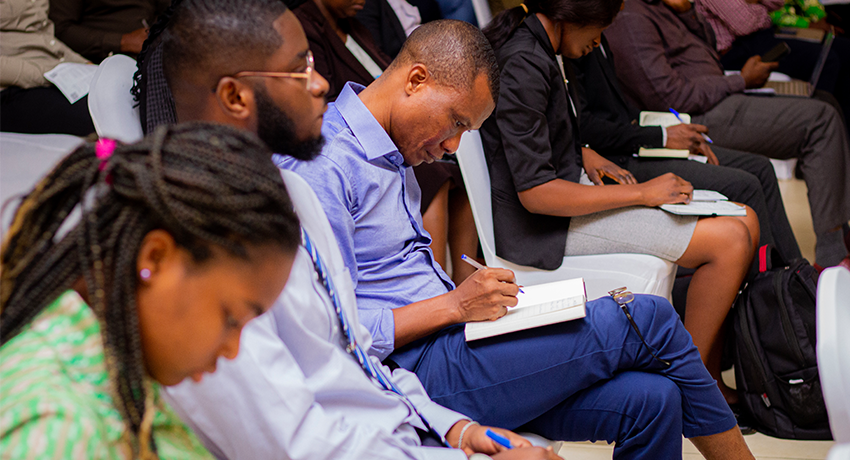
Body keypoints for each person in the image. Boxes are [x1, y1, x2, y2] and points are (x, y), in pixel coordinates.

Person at [281, 18, 757, 458]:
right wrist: (453, 306)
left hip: (453, 344)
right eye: (458, 123)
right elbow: (333, 332)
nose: (453, 145)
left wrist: (474, 305)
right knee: (647, 314)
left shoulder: (390, 152)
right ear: (416, 80)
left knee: (655, 399)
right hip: (416, 370)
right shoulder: (325, 167)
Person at [136, 1, 561, 458]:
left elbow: (356, 353)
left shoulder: (292, 198)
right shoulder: (205, 262)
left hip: (403, 428)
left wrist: (454, 429)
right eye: (300, 70)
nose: (321, 84)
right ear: (236, 97)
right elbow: (301, 444)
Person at [481, 0, 760, 398]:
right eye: (599, 29)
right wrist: (643, 193)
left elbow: (539, 139)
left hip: (564, 200)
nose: (599, 41)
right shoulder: (525, 61)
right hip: (544, 229)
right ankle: (693, 392)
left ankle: (708, 376)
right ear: (572, 16)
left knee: (744, 217)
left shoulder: (542, 47)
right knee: (730, 241)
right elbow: (536, 193)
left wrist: (583, 154)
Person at [0, 123, 300, 458]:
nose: (232, 349)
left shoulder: (114, 370)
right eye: (232, 318)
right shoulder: (56, 429)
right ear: (155, 257)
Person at [604, 0, 850, 269]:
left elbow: (710, 49)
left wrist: (687, 12)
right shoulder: (633, 16)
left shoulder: (668, 8)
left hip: (717, 95)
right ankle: (831, 256)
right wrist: (740, 81)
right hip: (692, 116)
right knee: (821, 120)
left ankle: (828, 246)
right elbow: (668, 97)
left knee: (827, 102)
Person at [569, 36, 803, 264]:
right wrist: (661, 136)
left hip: (635, 138)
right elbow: (586, 127)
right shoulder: (579, 38)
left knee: (760, 167)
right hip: (615, 157)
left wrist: (671, 129)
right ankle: (768, 291)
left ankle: (795, 277)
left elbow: (618, 109)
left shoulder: (602, 32)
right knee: (746, 185)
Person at [295, 0, 479, 283]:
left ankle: (456, 277)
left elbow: (387, 65)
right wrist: (454, 306)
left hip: (381, 125)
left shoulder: (355, 28)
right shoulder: (331, 161)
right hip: (366, 123)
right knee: (434, 170)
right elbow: (342, 313)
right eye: (457, 122)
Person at [693, 0, 850, 134]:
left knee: (844, 49)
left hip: (756, 38)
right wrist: (759, 9)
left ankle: (842, 137)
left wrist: (752, 5)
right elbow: (746, 24)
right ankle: (823, 131)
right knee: (827, 61)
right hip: (734, 51)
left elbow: (777, 3)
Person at [0, 0, 95, 136]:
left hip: (48, 70)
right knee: (96, 115)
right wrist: (47, 74)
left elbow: (43, 35)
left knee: (118, 98)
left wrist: (84, 64)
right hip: (10, 86)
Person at [49, 0, 169, 62]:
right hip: (102, 62)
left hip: (158, 53)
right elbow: (60, 29)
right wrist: (122, 42)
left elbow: (170, 9)